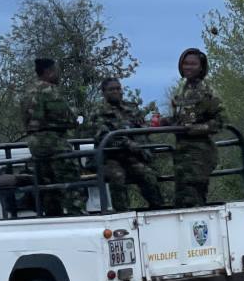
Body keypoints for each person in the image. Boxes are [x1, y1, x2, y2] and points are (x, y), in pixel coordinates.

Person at [84, 78, 163, 212]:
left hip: (131, 156)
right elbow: (102, 136)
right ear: (104, 93)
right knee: (117, 175)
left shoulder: (131, 108)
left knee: (147, 174)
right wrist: (126, 143)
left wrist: (143, 149)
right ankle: (122, 213)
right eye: (111, 89)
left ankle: (157, 209)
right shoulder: (98, 112)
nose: (116, 92)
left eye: (118, 88)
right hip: (108, 157)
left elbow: (142, 130)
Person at [20, 58, 84, 216]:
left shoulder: (28, 92)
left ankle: (53, 215)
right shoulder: (49, 90)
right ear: (48, 72)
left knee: (48, 183)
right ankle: (76, 213)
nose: (58, 76)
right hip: (53, 142)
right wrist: (76, 118)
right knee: (71, 177)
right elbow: (66, 116)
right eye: (56, 71)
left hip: (34, 143)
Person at [163, 48, 224, 207]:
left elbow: (221, 121)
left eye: (193, 64)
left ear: (201, 67)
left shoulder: (207, 92)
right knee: (181, 200)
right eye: (185, 63)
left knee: (194, 200)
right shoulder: (182, 91)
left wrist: (197, 129)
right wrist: (166, 122)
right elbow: (181, 119)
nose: (188, 67)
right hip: (182, 155)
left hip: (199, 155)